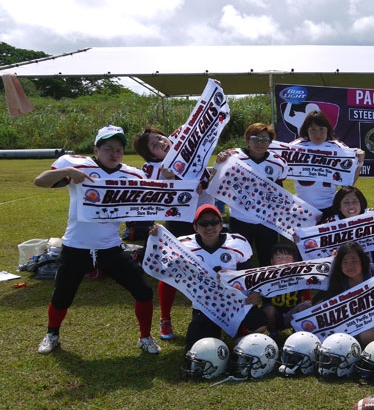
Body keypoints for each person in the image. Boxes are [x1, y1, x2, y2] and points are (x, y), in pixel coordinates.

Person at [34, 125, 161, 355]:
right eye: (108, 148)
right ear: (96, 148)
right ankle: (52, 333)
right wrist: (68, 172)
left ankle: (145, 336)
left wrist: (151, 227)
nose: (114, 154)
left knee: (143, 291)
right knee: (62, 295)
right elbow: (40, 181)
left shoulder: (132, 174)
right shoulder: (78, 165)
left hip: (109, 247)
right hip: (76, 246)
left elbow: (146, 206)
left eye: (119, 150)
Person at [133, 125, 217, 340]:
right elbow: (151, 192)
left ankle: (211, 313)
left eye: (160, 138)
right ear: (151, 154)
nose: (161, 143)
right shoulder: (152, 168)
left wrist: (209, 173)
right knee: (172, 271)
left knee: (209, 268)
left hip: (206, 221)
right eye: (154, 145)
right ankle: (165, 318)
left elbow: (210, 174)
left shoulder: (193, 155)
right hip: (178, 223)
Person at [175, 204, 269, 353]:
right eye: (203, 223)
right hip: (207, 305)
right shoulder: (183, 246)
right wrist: (154, 236)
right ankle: (218, 331)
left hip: (235, 302)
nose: (209, 227)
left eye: (214, 222)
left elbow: (249, 273)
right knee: (196, 348)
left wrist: (255, 292)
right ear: (195, 227)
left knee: (260, 324)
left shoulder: (237, 243)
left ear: (221, 225)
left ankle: (239, 332)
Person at [215, 122, 289, 265]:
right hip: (240, 217)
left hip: (267, 219)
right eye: (255, 138)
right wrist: (219, 162)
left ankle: (265, 286)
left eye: (264, 140)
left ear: (270, 142)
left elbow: (280, 189)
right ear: (247, 139)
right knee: (239, 258)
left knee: (267, 258)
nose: (259, 143)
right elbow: (217, 179)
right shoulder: (232, 157)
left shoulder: (278, 163)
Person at [314, 241, 374, 347]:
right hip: (350, 324)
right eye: (345, 262)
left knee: (368, 336)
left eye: (354, 260)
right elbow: (324, 302)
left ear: (362, 260)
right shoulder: (337, 279)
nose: (350, 266)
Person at [289, 110, 365, 213]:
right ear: (306, 130)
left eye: (321, 129)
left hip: (329, 205)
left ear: (328, 129)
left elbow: (348, 183)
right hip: (302, 206)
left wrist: (360, 162)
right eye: (313, 129)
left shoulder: (338, 147)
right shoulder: (295, 146)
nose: (318, 134)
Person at [319, 185, 374, 266]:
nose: (351, 206)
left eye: (355, 201)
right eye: (346, 202)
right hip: (342, 270)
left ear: (361, 202)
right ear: (339, 206)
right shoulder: (329, 223)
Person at [261, 241, 311, 345]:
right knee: (268, 309)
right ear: (272, 261)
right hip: (274, 316)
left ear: (294, 261)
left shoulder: (300, 276)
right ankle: (273, 333)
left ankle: (298, 333)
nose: (283, 261)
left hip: (292, 315)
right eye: (278, 257)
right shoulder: (264, 277)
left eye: (287, 257)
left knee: (305, 306)